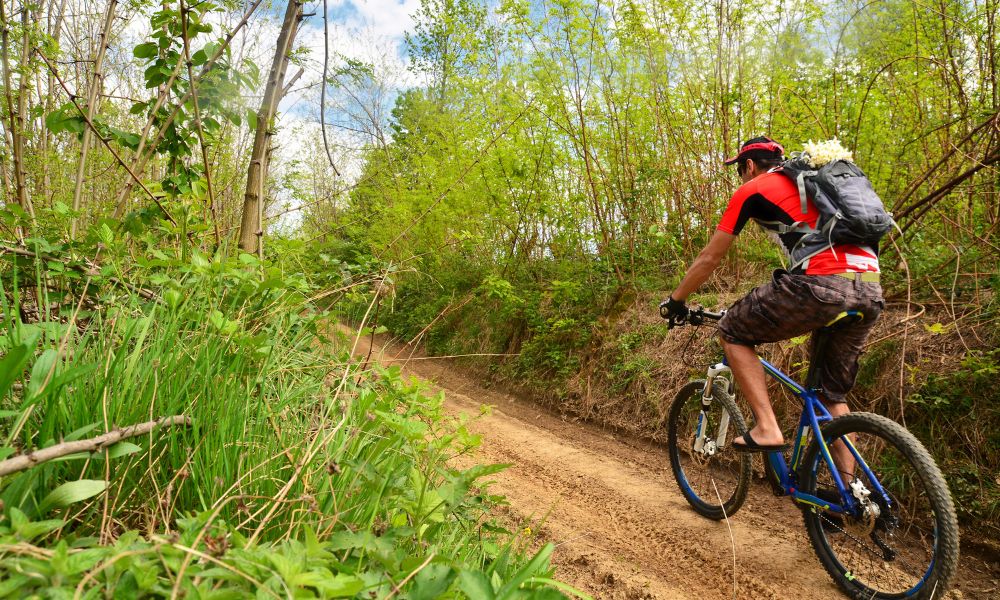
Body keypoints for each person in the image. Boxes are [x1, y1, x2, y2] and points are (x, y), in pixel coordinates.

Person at [661, 136, 883, 467]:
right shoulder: (812, 184)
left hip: (822, 284)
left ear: (749, 166)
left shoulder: (753, 188)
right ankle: (851, 492)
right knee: (828, 395)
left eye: (739, 169)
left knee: (733, 330)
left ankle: (767, 426)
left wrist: (676, 300)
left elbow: (710, 258)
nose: (740, 176)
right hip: (869, 288)